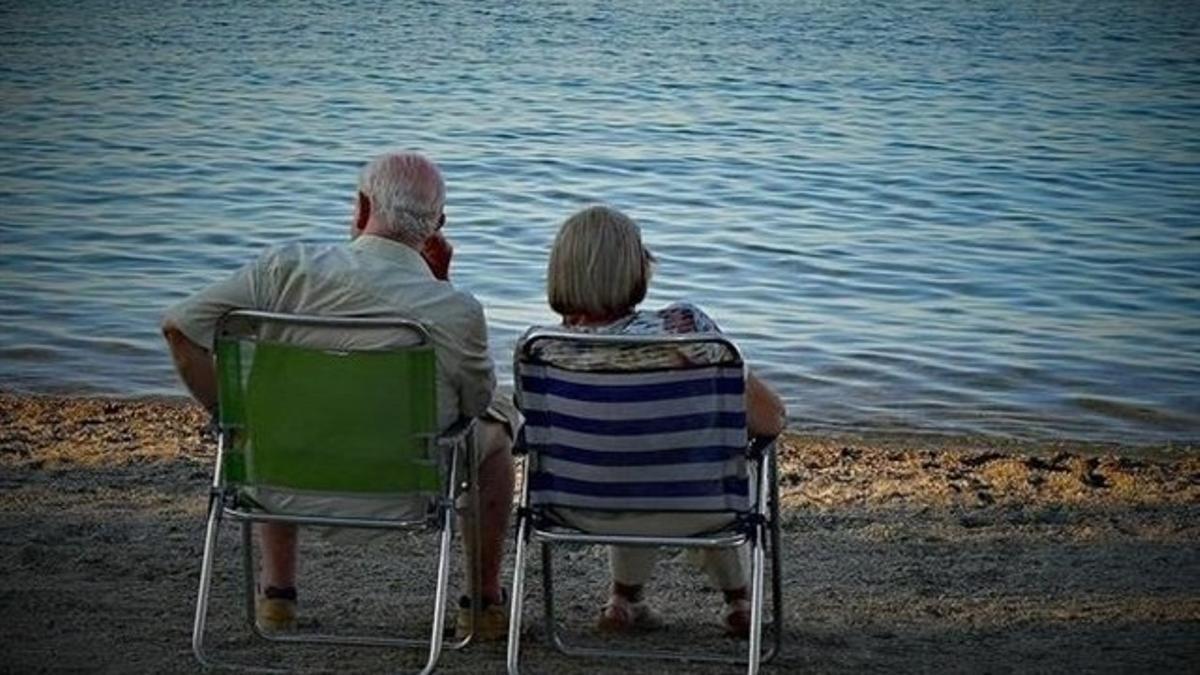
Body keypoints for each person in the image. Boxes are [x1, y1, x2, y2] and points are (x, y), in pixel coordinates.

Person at [161, 151, 516, 640]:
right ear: (438, 226)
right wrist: (441, 285)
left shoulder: (284, 270)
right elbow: (475, 403)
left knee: (275, 410)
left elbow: (180, 330)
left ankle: (277, 599)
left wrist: (232, 418)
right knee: (498, 429)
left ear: (361, 205)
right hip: (404, 493)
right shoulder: (454, 307)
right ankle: (482, 604)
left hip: (281, 481)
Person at [535, 204, 786, 638]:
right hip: (699, 508)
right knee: (701, 456)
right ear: (635, 268)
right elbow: (770, 420)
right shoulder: (688, 328)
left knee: (623, 453)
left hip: (578, 508)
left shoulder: (543, 351)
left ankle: (623, 601)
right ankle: (740, 601)